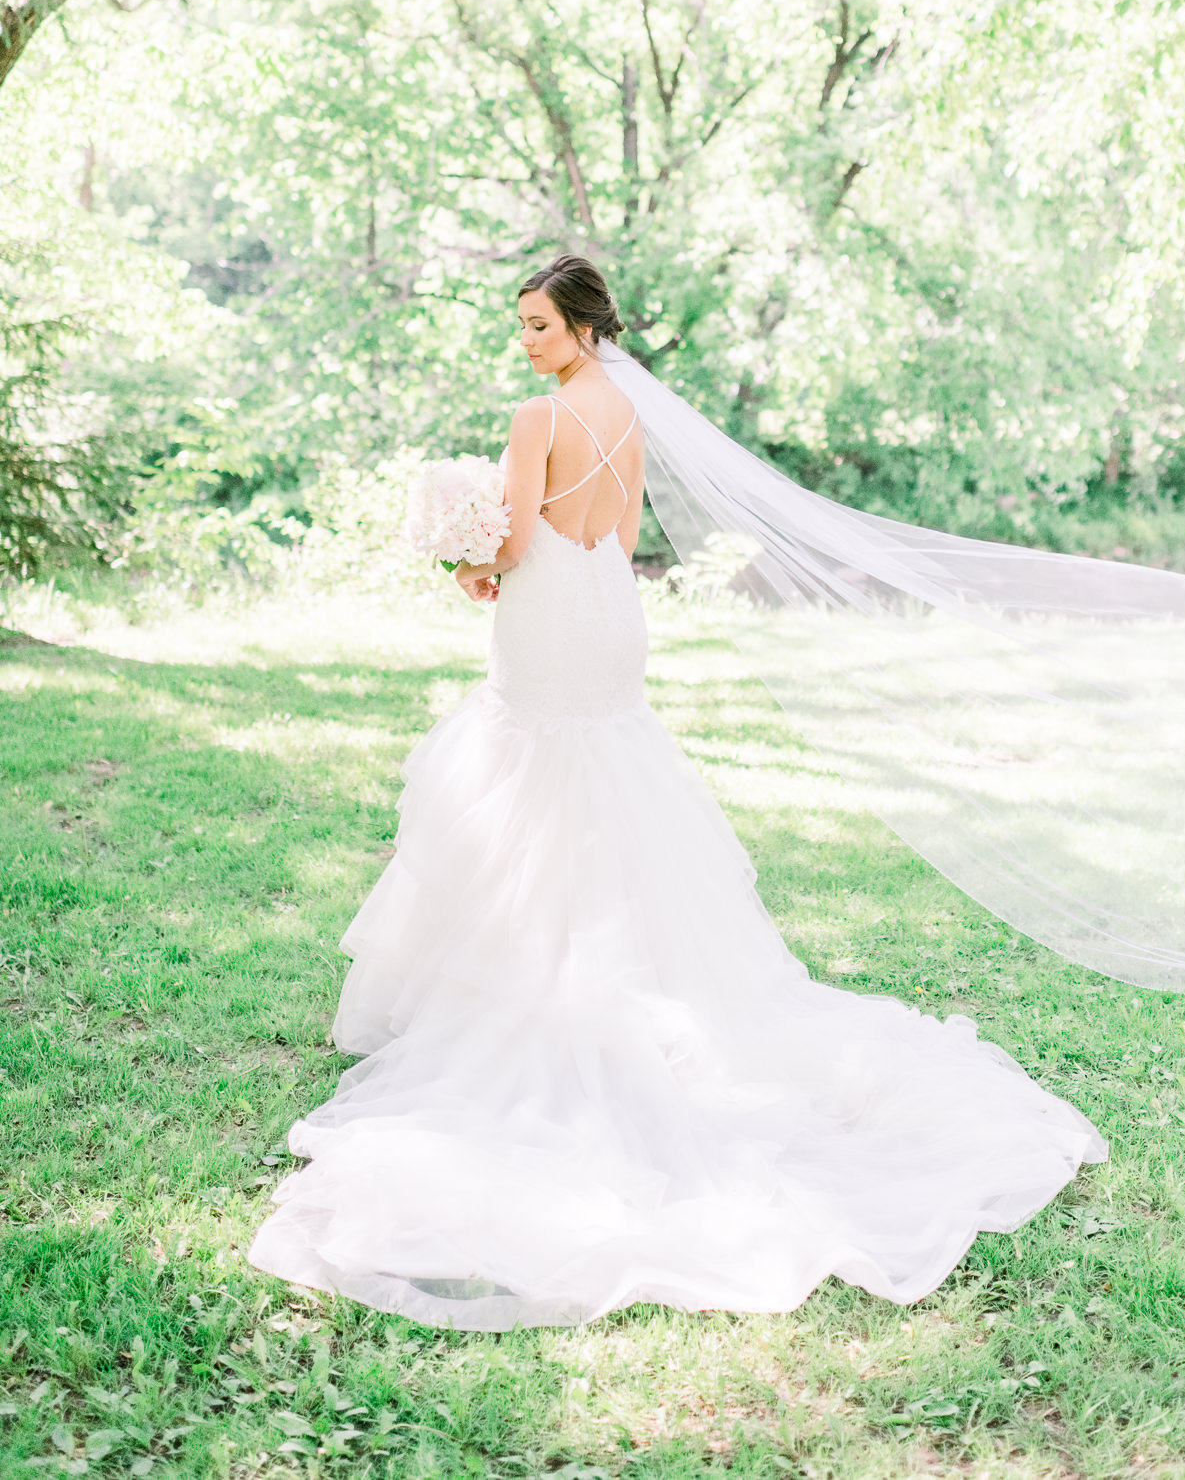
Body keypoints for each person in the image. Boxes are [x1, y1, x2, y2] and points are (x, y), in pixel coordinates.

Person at [247, 255, 1105, 1331]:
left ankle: (529, 989)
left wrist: (466, 563)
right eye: (520, 326)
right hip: (609, 607)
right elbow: (612, 526)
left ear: (581, 325)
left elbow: (515, 539)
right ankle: (623, 977)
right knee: (601, 777)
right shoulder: (624, 414)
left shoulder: (538, 417)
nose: (527, 342)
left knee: (525, 773)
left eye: (539, 326)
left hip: (549, 615)